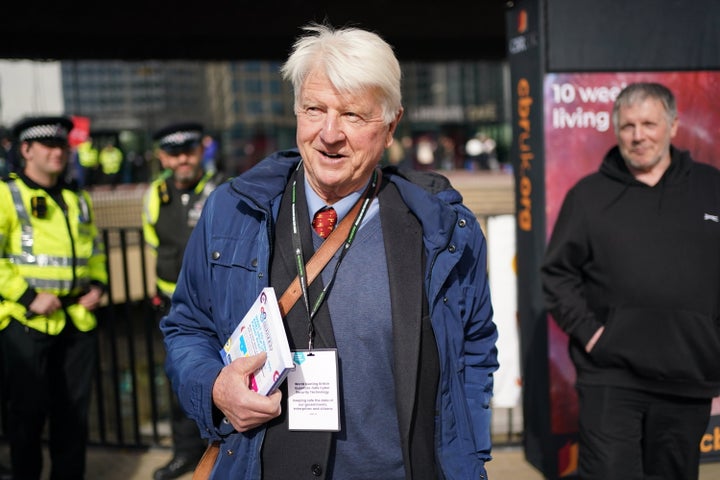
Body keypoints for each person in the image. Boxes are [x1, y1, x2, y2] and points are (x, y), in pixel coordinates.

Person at [160, 23, 498, 479]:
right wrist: (216, 387)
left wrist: (466, 454)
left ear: (392, 124)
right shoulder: (231, 211)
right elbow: (187, 327)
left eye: (353, 116)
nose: (329, 133)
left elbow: (475, 348)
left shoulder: (442, 229)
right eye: (314, 109)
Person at [541, 82, 720, 480]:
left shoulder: (712, 188)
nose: (638, 136)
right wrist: (593, 335)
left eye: (649, 124)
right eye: (628, 126)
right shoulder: (588, 196)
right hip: (611, 376)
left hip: (687, 376)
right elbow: (557, 274)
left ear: (674, 126)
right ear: (616, 129)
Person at [0, 116, 107, 479]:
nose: (57, 152)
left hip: (77, 322)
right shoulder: (6, 194)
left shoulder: (77, 197)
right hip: (27, 324)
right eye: (47, 145)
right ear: (26, 150)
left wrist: (98, 285)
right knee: (26, 420)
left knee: (73, 419)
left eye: (62, 145)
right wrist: (28, 296)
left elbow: (94, 250)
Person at [143, 122, 225, 480]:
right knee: (178, 380)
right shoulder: (155, 194)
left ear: (201, 150)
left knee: (222, 382)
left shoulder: (223, 189)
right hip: (173, 309)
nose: (181, 160)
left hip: (216, 306)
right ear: (162, 156)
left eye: (188, 151)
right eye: (173, 153)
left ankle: (220, 454)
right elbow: (155, 245)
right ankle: (184, 454)